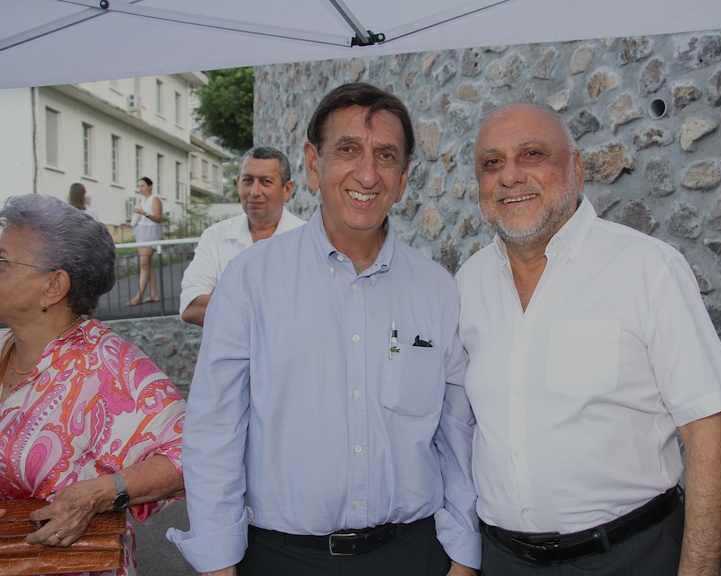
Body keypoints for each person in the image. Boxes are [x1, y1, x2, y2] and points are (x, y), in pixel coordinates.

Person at [168, 82, 479, 576]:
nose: (367, 174)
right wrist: (218, 560)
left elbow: (457, 433)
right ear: (313, 165)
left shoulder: (436, 289)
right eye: (348, 150)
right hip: (281, 559)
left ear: (403, 179)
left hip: (414, 554)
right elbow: (215, 431)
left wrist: (463, 552)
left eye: (386, 156)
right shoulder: (249, 281)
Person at [455, 104, 721, 575]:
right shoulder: (468, 283)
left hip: (629, 557)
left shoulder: (648, 269)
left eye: (532, 154)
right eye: (492, 163)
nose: (509, 175)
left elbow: (708, 435)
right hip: (503, 560)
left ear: (577, 170)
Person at [0, 193, 186, 576]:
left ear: (54, 286)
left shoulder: (109, 363)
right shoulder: (5, 344)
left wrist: (101, 492)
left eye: (2, 261)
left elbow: (196, 452)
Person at [179, 146, 304, 327]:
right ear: (238, 184)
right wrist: (273, 314)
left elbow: (311, 313)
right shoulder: (215, 237)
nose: (254, 191)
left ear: (287, 189)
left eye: (266, 181)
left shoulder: (307, 242)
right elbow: (191, 307)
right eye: (247, 180)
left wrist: (222, 303)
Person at [127, 177, 162, 306]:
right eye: (139, 186)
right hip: (141, 232)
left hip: (150, 232)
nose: (140, 188)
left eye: (143, 186)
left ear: (149, 186)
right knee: (147, 265)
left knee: (144, 264)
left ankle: (139, 296)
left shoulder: (155, 199)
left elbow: (158, 218)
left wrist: (144, 213)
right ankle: (154, 294)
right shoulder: (143, 200)